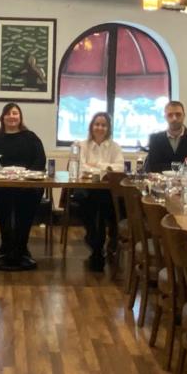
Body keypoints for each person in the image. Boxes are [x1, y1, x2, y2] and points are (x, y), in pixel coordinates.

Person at [0, 102, 46, 271]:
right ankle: (6, 246)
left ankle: (21, 246)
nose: (12, 116)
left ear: (20, 117)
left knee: (25, 207)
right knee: (5, 202)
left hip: (28, 186)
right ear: (2, 118)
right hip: (2, 186)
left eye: (15, 113)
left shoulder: (31, 138)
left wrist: (25, 177)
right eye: (8, 113)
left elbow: (40, 161)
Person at [74, 111, 125, 272]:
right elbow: (80, 167)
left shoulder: (115, 147)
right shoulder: (81, 145)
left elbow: (119, 167)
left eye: (104, 125)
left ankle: (97, 246)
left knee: (106, 205)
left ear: (108, 128)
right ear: (91, 126)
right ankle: (95, 241)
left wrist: (96, 166)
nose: (100, 128)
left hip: (107, 191)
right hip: (85, 189)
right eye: (97, 124)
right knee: (89, 203)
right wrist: (106, 168)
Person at [143, 101, 187, 176]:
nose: (174, 118)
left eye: (178, 114)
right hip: (163, 183)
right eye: (170, 115)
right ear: (165, 117)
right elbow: (153, 168)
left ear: (184, 116)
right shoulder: (155, 139)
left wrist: (167, 167)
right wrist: (185, 167)